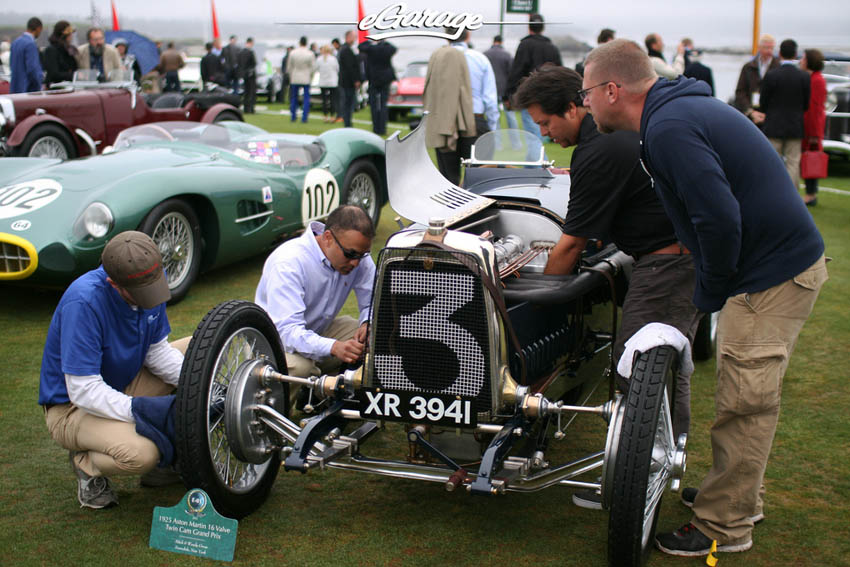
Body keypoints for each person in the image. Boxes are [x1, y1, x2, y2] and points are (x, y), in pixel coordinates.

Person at [581, 38, 827, 557]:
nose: (583, 104)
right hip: (768, 267)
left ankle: (726, 525)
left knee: (745, 402)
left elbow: (717, 217)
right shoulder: (674, 113)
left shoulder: (669, 126)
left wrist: (710, 292)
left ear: (611, 89)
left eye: (585, 93)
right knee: (745, 397)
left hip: (773, 274)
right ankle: (731, 496)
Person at [514, 66, 701, 508]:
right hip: (676, 253)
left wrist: (540, 303)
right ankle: (655, 459)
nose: (544, 133)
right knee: (656, 364)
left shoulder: (598, 152)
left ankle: (635, 482)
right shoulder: (609, 139)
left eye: (546, 122)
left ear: (575, 106)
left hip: (668, 262)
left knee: (637, 367)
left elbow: (572, 244)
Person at [38, 231, 188, 509]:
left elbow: (156, 352)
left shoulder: (148, 274)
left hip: (122, 381)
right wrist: (140, 410)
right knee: (142, 453)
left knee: (200, 355)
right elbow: (84, 390)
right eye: (140, 294)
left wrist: (203, 385)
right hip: (71, 408)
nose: (150, 298)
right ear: (113, 283)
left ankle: (163, 465)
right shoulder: (83, 303)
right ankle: (87, 465)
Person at [255, 205, 375, 382]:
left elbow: (372, 302)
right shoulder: (288, 262)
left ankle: (322, 395)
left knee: (368, 337)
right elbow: (287, 332)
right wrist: (333, 347)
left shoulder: (355, 254)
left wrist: (367, 322)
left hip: (315, 332)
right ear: (328, 238)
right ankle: (269, 408)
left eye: (363, 255)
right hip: (274, 344)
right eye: (351, 254)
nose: (356, 263)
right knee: (301, 367)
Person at [423, 32, 475, 185]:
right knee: (471, 179)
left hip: (447, 122)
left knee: (448, 177)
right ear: (468, 34)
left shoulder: (438, 55)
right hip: (459, 122)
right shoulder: (461, 56)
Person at [760, 39, 810, 191]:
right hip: (795, 125)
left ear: (780, 53)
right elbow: (806, 104)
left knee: (772, 162)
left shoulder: (771, 75)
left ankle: (773, 192)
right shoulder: (804, 77)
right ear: (795, 54)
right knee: (793, 162)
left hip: (774, 125)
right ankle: (792, 195)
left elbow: (764, 102)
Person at [505, 13, 562, 141]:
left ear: (529, 27)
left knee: (532, 133)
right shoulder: (551, 47)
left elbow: (517, 71)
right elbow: (560, 72)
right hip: (549, 96)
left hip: (530, 94)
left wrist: (508, 94)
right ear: (542, 27)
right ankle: (538, 159)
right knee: (541, 131)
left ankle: (537, 160)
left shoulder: (525, 45)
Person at [800, 48, 827, 206]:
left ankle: (811, 194)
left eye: (803, 59)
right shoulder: (811, 78)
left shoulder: (817, 80)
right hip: (808, 124)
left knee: (812, 159)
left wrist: (814, 132)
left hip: (812, 127)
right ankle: (810, 193)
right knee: (807, 158)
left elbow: (815, 108)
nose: (801, 61)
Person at [734, 34, 779, 125]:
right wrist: (750, 112)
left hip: (771, 118)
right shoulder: (748, 67)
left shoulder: (778, 67)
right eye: (766, 48)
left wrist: (769, 114)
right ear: (759, 48)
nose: (769, 51)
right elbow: (740, 91)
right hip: (751, 115)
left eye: (771, 48)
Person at [359, 39, 397, 136]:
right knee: (383, 105)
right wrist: (385, 43)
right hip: (385, 79)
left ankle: (376, 128)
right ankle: (382, 128)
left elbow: (361, 46)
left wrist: (370, 42)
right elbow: (394, 48)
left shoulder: (371, 49)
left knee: (374, 105)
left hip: (374, 78)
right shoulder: (387, 49)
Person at [484, 35, 520, 135]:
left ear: (493, 41)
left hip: (490, 90)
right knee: (511, 117)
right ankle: (516, 143)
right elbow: (512, 74)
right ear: (501, 42)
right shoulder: (507, 55)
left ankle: (497, 143)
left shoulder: (485, 54)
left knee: (494, 118)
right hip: (505, 90)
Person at [9, 17, 43, 93]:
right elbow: (32, 69)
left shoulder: (15, 42)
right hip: (27, 90)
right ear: (38, 28)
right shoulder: (30, 44)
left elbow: (11, 65)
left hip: (15, 88)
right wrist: (38, 86)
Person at [287, 36, 316, 123]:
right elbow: (313, 67)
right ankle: (304, 117)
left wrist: (291, 75)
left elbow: (289, 67)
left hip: (295, 76)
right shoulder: (310, 53)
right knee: (306, 98)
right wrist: (310, 75)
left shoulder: (293, 53)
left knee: (294, 98)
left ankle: (293, 116)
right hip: (305, 76)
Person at [337, 31, 361, 127]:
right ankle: (347, 123)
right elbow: (350, 67)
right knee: (348, 103)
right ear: (348, 37)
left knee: (347, 103)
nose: (355, 39)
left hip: (345, 81)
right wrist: (356, 80)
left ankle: (347, 122)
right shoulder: (346, 50)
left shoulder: (344, 49)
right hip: (347, 82)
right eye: (353, 37)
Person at [43, 20, 77, 88]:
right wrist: (72, 75)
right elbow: (54, 74)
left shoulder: (68, 50)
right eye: (70, 34)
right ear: (64, 35)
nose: (71, 37)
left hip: (67, 88)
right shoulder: (51, 50)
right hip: (54, 90)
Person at [316, 44, 340, 122]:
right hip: (332, 82)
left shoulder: (319, 59)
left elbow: (317, 69)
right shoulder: (333, 59)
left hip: (323, 81)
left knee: (324, 100)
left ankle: (325, 115)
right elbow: (337, 69)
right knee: (332, 99)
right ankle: (332, 116)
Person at [238, 37, 257, 113]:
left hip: (244, 75)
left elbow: (239, 64)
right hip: (251, 75)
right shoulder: (251, 52)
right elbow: (254, 63)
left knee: (246, 92)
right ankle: (251, 108)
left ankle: (246, 108)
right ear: (251, 43)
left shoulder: (241, 52)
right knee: (252, 92)